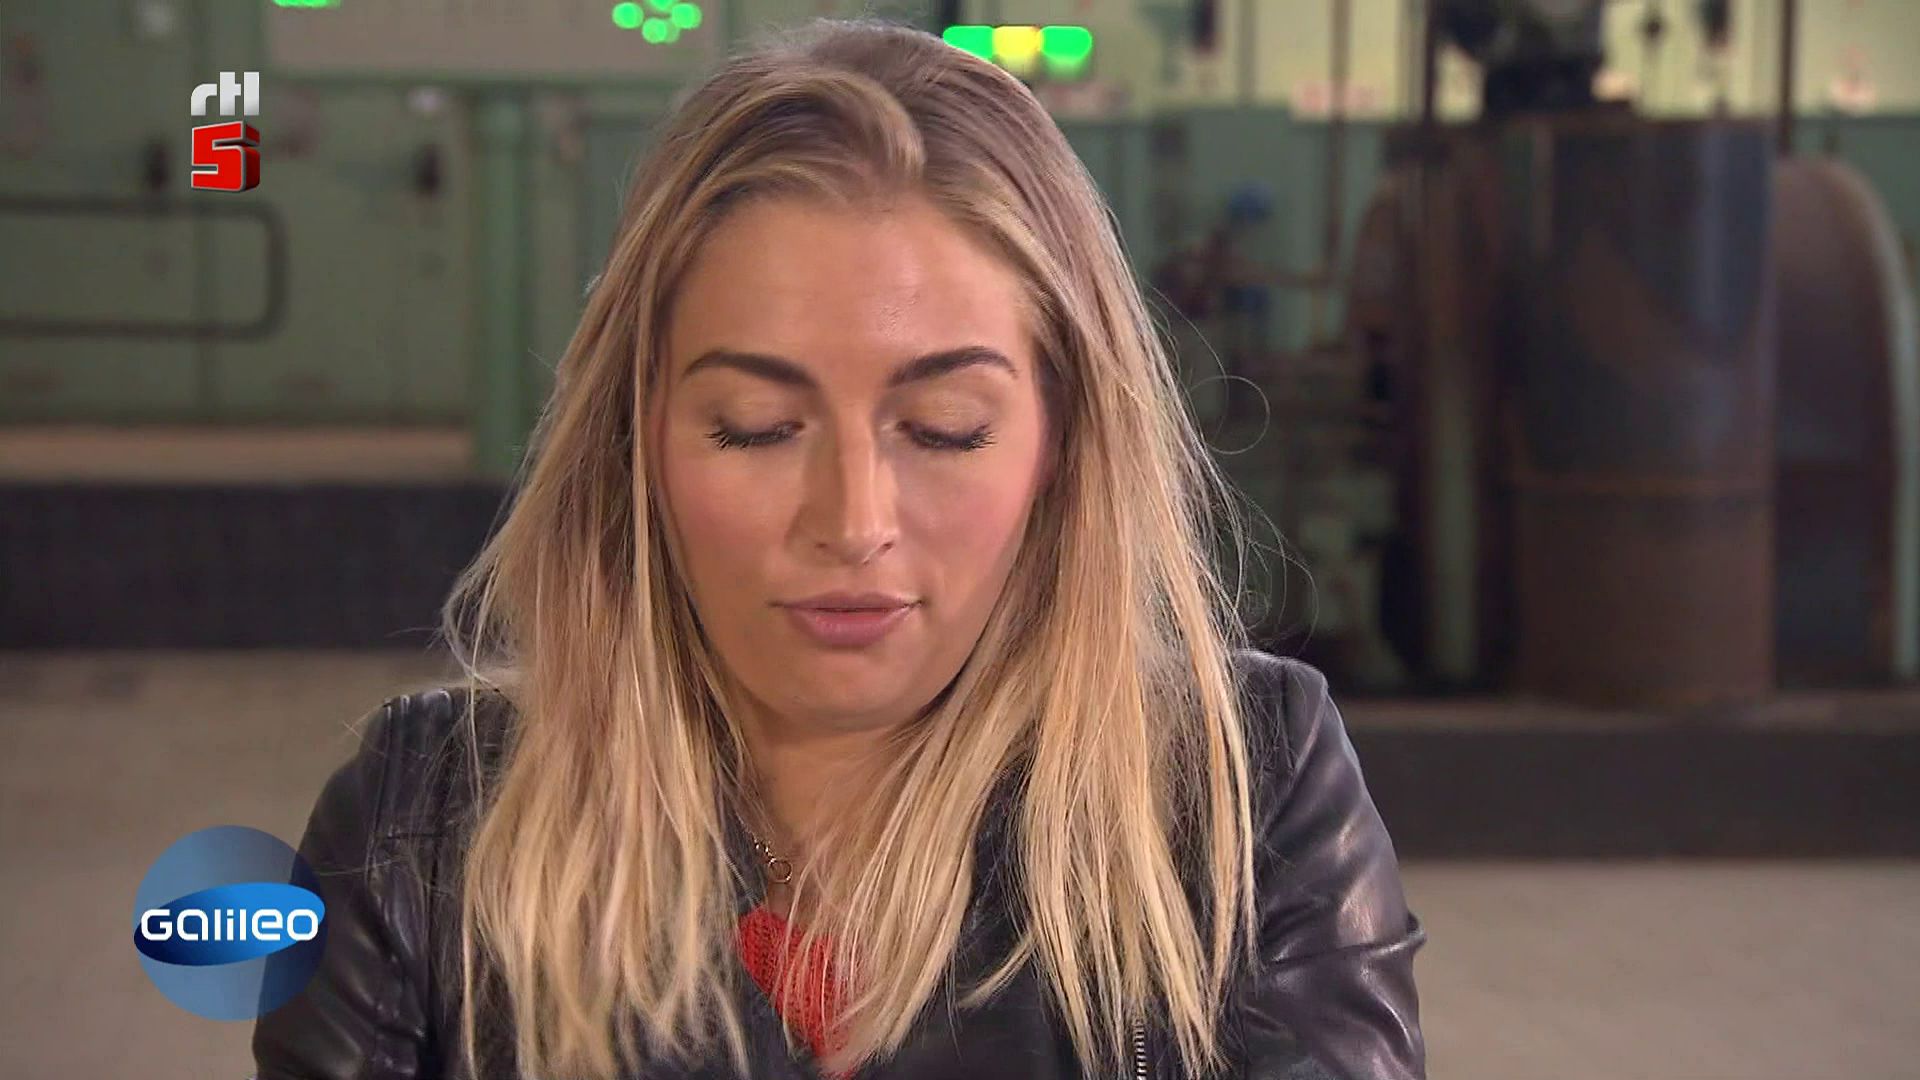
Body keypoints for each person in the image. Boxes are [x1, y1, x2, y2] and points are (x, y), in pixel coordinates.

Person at [250, 19, 1424, 1080]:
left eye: (945, 428)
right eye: (757, 427)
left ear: (1065, 447)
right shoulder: (420, 835)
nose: (854, 522)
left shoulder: (1244, 798)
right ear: (636, 439)